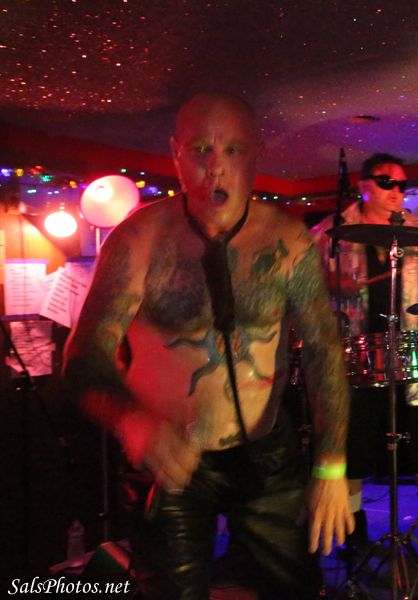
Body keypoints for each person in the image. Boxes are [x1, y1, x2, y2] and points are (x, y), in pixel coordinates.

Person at [63, 92, 353, 599]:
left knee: (292, 589)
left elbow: (324, 352)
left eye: (232, 150)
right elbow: (83, 356)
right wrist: (134, 422)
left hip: (266, 452)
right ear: (176, 153)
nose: (215, 168)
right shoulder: (139, 240)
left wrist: (331, 465)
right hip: (171, 457)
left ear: (257, 153)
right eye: (201, 150)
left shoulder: (288, 241)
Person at [311, 153, 418, 555]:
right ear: (364, 185)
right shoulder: (332, 233)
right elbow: (301, 287)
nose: (397, 191)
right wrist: (330, 285)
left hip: (411, 350)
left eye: (402, 185)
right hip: (355, 352)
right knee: (354, 440)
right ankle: (353, 524)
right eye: (387, 182)